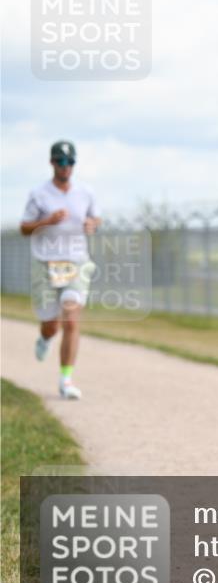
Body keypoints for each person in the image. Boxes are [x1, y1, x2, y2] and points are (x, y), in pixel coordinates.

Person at [20, 140, 101, 399]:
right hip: (46, 262)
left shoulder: (86, 192)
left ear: (74, 164)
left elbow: (96, 218)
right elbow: (24, 228)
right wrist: (47, 221)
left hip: (75, 261)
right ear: (52, 163)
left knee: (71, 316)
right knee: (51, 324)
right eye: (61, 161)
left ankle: (65, 380)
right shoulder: (39, 194)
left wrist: (91, 224)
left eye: (70, 162)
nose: (65, 167)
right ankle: (45, 338)